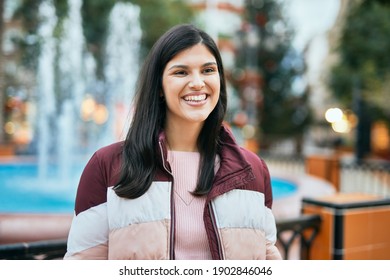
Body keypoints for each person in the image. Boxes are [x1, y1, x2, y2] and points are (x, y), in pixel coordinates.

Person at [64, 23, 282, 260]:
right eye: (181, 72)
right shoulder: (107, 165)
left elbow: (267, 255)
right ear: (159, 86)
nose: (198, 82)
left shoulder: (252, 169)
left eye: (208, 70)